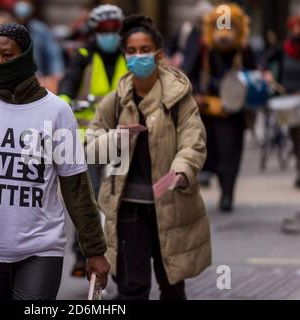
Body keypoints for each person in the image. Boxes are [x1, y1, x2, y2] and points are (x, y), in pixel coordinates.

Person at [0, 23, 109, 300]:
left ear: (27, 56)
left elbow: (77, 189)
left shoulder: (57, 112)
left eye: (8, 56)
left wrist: (94, 250)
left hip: (41, 252)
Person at [86, 15, 211, 300]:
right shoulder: (115, 100)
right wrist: (117, 138)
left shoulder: (179, 98)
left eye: (145, 50)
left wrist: (181, 171)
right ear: (125, 55)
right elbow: (90, 146)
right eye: (131, 51)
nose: (138, 57)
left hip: (172, 203)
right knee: (131, 288)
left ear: (159, 54)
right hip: (127, 208)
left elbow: (194, 142)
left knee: (172, 286)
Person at [58, 4, 127, 277]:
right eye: (104, 30)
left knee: (119, 201)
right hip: (89, 141)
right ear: (95, 31)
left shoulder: (128, 56)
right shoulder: (83, 56)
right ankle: (81, 254)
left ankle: (120, 254)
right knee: (90, 199)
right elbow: (67, 83)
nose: (109, 35)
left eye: (114, 30)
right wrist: (63, 103)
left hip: (122, 141)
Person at [192, 4, 256, 212]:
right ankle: (222, 185)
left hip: (235, 112)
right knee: (215, 154)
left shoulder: (243, 50)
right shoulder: (204, 48)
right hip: (210, 110)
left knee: (232, 154)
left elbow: (254, 72)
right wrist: (196, 94)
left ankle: (228, 192)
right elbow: (188, 72)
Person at [260, 15, 300, 189]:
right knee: (295, 135)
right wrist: (266, 73)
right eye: (295, 27)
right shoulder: (284, 48)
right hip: (288, 98)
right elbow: (264, 60)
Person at [13, 0, 64, 92]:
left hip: (39, 78)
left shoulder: (40, 29)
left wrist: (55, 74)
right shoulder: (9, 29)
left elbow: (53, 54)